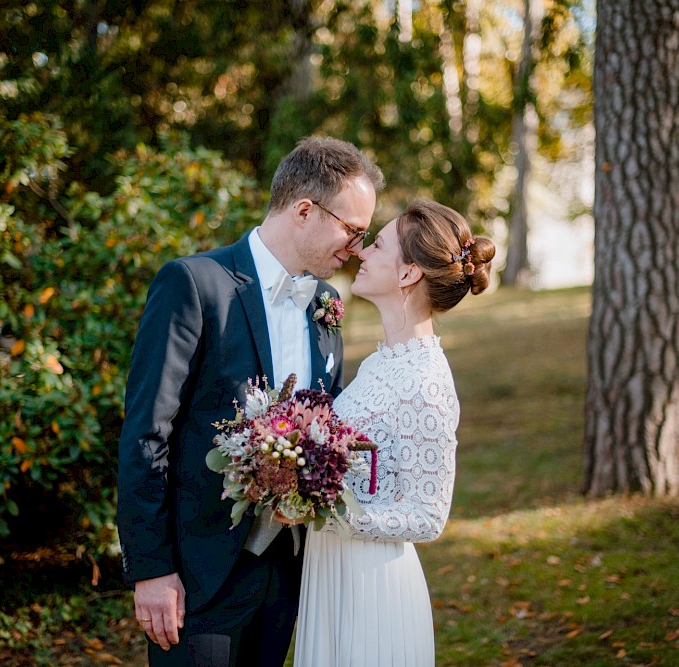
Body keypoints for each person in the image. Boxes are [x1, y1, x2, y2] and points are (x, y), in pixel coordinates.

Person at [117, 135, 385, 667]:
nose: (356, 248)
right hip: (196, 580)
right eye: (352, 231)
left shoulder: (326, 304)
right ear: (305, 210)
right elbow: (147, 433)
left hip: (287, 576)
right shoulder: (195, 285)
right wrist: (150, 569)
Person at [291, 199, 496, 667]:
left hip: (372, 589)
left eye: (378, 244)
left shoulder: (426, 382)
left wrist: (326, 511)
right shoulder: (383, 361)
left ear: (408, 275)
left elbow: (428, 516)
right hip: (333, 574)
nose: (361, 252)